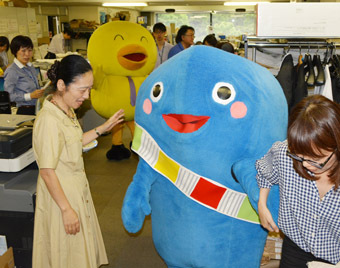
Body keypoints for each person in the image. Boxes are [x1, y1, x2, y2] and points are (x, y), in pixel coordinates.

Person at [32, 54, 125, 268]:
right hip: (60, 196)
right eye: (82, 89)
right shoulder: (49, 120)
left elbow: (74, 142)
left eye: (89, 89)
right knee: (65, 254)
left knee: (77, 253)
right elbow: (47, 171)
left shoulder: (66, 110)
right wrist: (66, 209)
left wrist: (102, 129)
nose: (87, 95)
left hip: (74, 190)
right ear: (62, 85)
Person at [256, 94, 340, 267]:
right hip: (295, 248)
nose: (307, 165)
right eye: (300, 156)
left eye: (317, 158)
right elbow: (264, 171)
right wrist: (262, 204)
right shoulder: (285, 154)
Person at [4, 35, 44, 115]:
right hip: (25, 111)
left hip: (37, 108)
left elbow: (35, 87)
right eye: (23, 51)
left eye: (30, 50)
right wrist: (30, 96)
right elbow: (8, 96)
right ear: (15, 51)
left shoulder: (31, 66)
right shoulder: (12, 70)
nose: (27, 54)